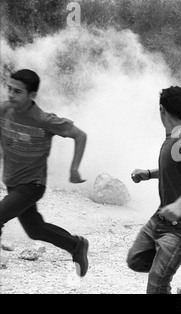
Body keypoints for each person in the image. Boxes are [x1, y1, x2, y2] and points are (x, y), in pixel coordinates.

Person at [0, 69, 89, 276]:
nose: (11, 95)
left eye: (18, 92)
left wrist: (74, 169)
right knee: (35, 230)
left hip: (33, 185)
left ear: (32, 96)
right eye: (9, 89)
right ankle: (76, 245)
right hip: (13, 183)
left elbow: (80, 135)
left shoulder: (43, 120)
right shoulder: (4, 110)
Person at [127, 86, 181, 294]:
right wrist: (148, 173)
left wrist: (180, 205)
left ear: (162, 110)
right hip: (163, 217)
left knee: (156, 284)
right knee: (136, 260)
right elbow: (176, 169)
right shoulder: (174, 137)